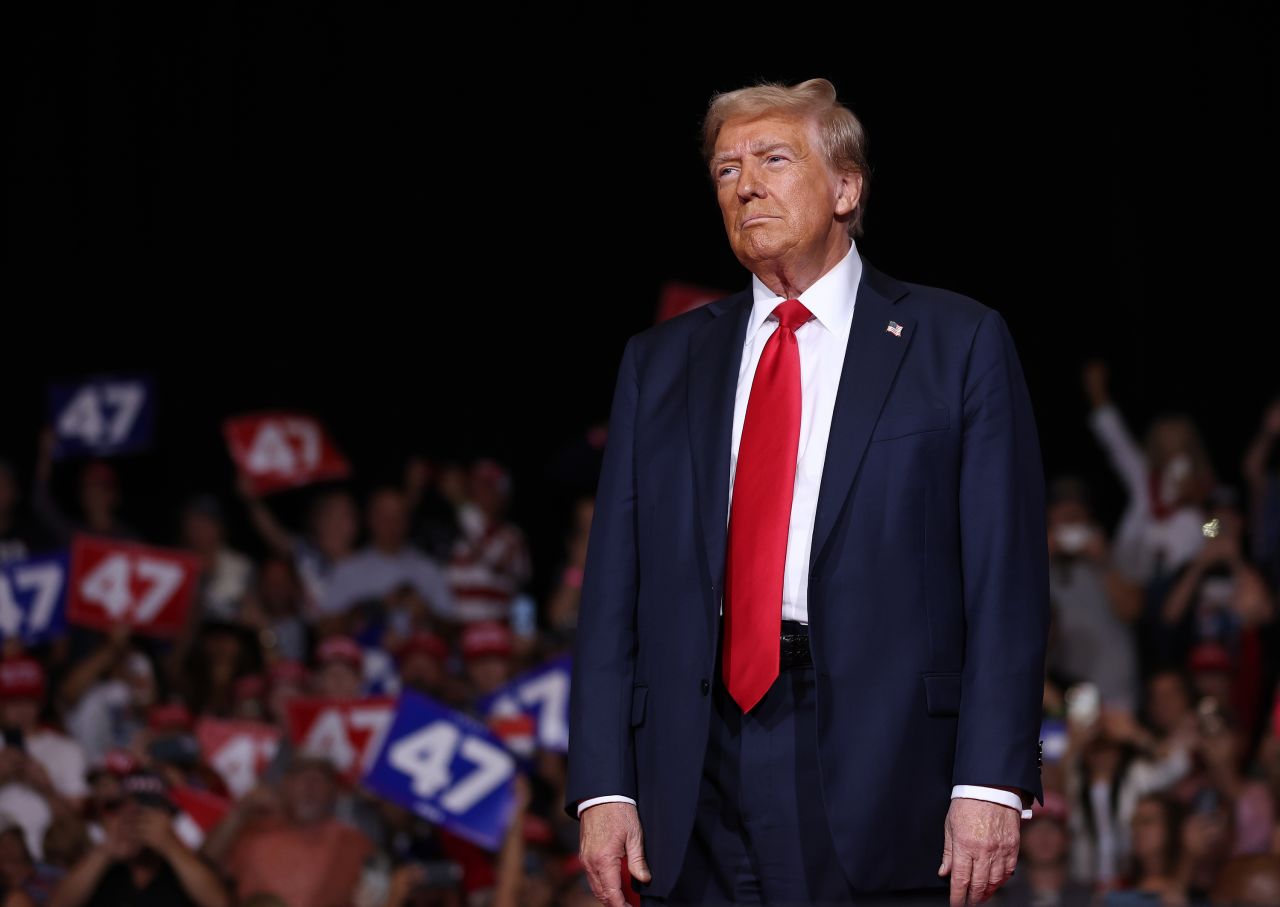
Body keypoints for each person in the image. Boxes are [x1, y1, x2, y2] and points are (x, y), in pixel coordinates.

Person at [565, 77, 1050, 906]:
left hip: (885, 760)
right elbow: (614, 589)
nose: (744, 183)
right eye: (725, 169)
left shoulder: (955, 341)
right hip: (694, 762)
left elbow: (1005, 579)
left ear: (846, 187)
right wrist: (604, 784)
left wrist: (992, 782)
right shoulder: (661, 362)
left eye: (773, 159)